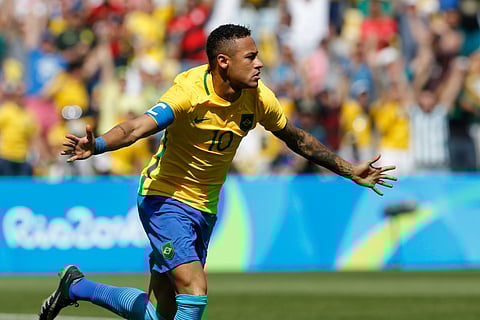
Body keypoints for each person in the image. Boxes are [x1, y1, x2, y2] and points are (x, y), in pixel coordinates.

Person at [38, 24, 397, 320]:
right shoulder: (189, 93)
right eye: (251, 57)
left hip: (205, 207)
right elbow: (137, 128)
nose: (259, 64)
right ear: (223, 62)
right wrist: (97, 145)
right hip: (164, 198)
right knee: (195, 289)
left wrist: (349, 169)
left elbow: (297, 139)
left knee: (158, 316)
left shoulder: (258, 99)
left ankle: (76, 286)